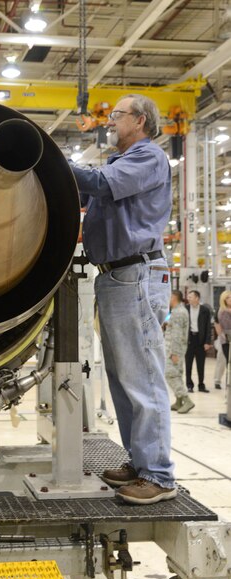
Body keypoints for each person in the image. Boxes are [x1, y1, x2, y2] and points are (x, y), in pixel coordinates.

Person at [70, 93, 176, 505]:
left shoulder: (148, 158)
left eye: (117, 115)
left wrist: (50, 158)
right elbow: (86, 191)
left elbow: (99, 185)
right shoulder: (119, 161)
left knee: (143, 377)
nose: (110, 121)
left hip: (136, 275)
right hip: (114, 277)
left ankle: (159, 476)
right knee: (121, 376)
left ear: (140, 120)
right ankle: (139, 461)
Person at [165, 290, 193, 413]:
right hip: (175, 349)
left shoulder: (178, 313)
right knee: (177, 374)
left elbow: (177, 334)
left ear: (174, 297)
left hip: (174, 350)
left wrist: (174, 353)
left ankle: (187, 400)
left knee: (170, 374)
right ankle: (179, 401)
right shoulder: (177, 311)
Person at [185, 290, 212, 393]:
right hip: (189, 339)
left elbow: (208, 327)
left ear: (197, 298)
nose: (188, 298)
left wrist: (207, 342)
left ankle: (201, 385)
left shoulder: (205, 310)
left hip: (200, 340)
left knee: (201, 364)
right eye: (188, 296)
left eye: (190, 296)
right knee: (188, 364)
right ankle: (189, 385)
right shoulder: (186, 309)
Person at [217, 290, 231, 365]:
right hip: (227, 340)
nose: (230, 299)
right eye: (228, 297)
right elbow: (227, 327)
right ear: (224, 300)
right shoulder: (223, 311)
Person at [213, 310, 226, 389]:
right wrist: (222, 336)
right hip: (223, 338)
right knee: (221, 361)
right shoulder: (221, 310)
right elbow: (216, 323)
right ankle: (217, 380)